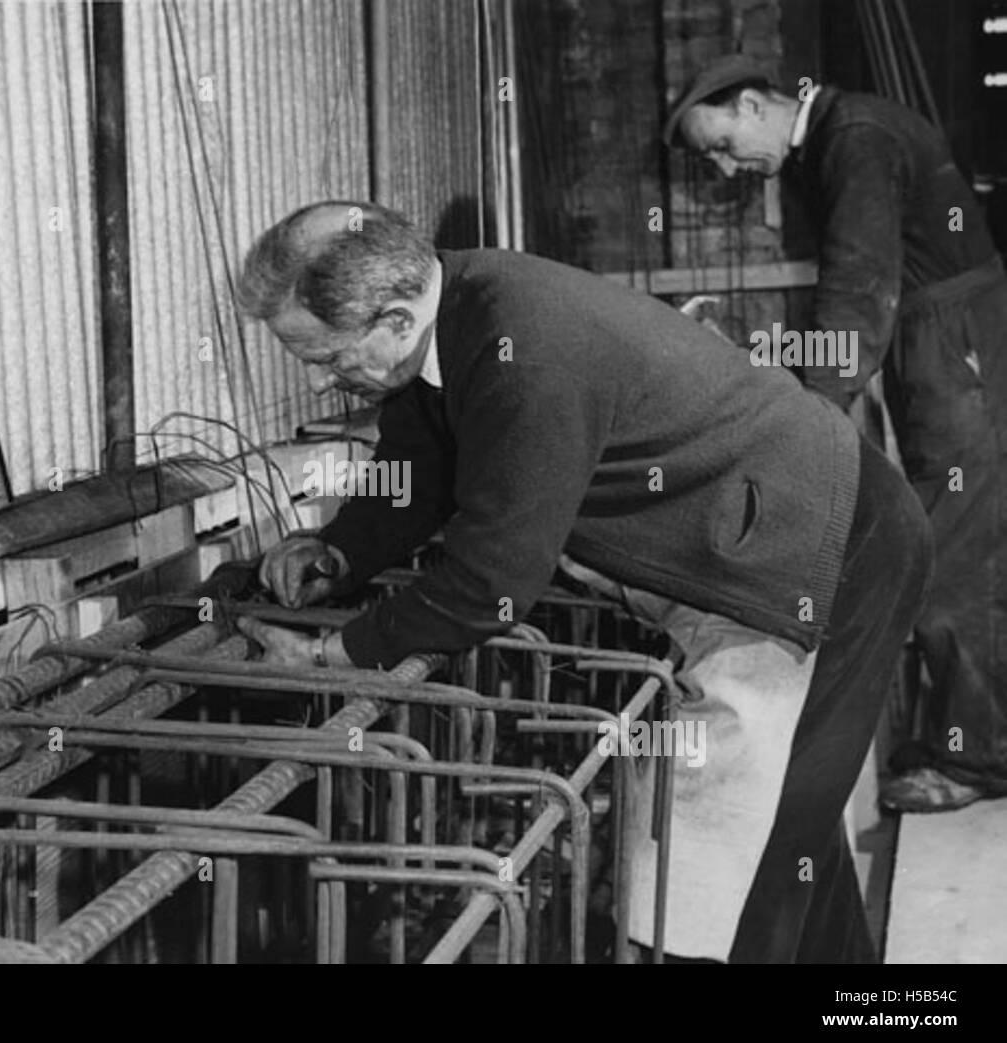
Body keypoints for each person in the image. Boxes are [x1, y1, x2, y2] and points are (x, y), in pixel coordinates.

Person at [232, 200, 931, 963]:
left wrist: (334, 657)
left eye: (330, 359)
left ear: (396, 320)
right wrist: (338, 552)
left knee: (726, 857)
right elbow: (422, 468)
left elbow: (492, 581)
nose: (333, 382)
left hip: (824, 551)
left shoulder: (524, 349)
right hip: (750, 554)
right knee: (787, 827)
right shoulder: (454, 313)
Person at [664, 54, 1007, 813]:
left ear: (754, 104)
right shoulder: (841, 135)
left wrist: (810, 417)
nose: (723, 169)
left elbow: (859, 289)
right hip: (945, 344)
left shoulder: (855, 138)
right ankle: (969, 737)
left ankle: (979, 758)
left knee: (953, 558)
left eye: (719, 144)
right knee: (961, 544)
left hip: (955, 348)